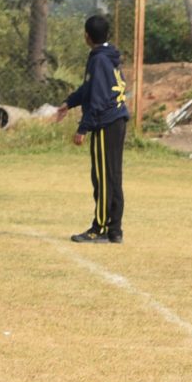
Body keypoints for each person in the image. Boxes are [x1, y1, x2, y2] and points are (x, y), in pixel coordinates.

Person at [56, 13, 129, 244]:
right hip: (117, 120)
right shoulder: (108, 56)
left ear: (86, 36)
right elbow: (89, 88)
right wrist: (70, 102)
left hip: (106, 123)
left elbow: (97, 98)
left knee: (103, 177)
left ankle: (100, 229)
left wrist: (83, 128)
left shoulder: (99, 60)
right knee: (113, 176)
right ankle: (115, 230)